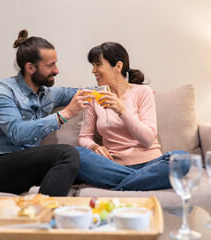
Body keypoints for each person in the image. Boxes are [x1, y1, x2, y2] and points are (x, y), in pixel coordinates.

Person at [0, 30, 94, 196]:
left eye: (56, 63)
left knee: (85, 159)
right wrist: (64, 115)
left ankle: (135, 178)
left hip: (27, 165)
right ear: (30, 68)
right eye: (50, 65)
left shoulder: (49, 93)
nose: (57, 70)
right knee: (67, 153)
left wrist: (115, 88)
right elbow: (16, 132)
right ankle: (44, 212)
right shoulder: (1, 91)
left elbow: (84, 93)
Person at [76, 42, 187, 191]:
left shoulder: (143, 92)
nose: (93, 70)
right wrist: (94, 146)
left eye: (98, 64)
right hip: (113, 166)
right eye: (93, 65)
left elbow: (148, 140)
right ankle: (141, 181)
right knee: (77, 154)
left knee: (182, 159)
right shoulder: (94, 97)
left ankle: (121, 186)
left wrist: (121, 110)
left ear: (118, 66)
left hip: (151, 163)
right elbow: (84, 137)